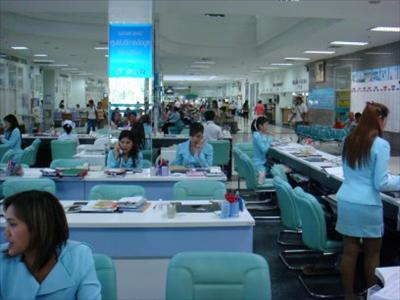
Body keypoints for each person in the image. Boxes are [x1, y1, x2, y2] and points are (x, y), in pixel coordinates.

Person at [336, 102, 400, 300]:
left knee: (349, 252)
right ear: (379, 119)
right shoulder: (380, 144)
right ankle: (372, 295)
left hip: (346, 199)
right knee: (372, 254)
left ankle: (349, 295)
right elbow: (380, 182)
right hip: (368, 204)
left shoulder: (349, 139)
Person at [0, 190, 101, 299]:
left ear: (38, 227)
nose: (6, 233)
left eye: (12, 224)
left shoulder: (79, 256)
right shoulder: (2, 259)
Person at [252, 116, 273, 184]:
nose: (267, 127)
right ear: (260, 126)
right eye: (266, 125)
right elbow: (264, 149)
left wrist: (267, 136)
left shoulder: (260, 134)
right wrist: (269, 137)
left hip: (263, 162)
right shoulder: (256, 136)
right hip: (259, 164)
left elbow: (264, 143)